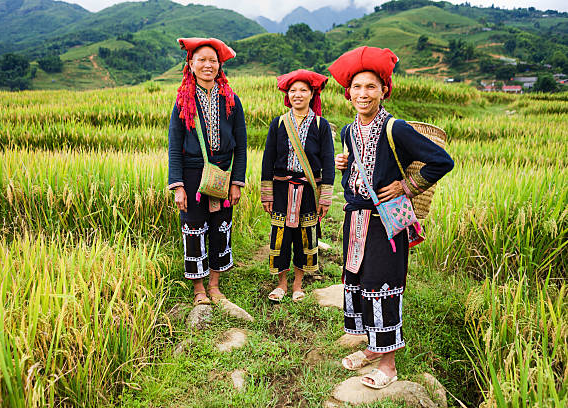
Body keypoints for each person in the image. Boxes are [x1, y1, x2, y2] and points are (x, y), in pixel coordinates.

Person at [329, 46, 454, 389]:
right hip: (356, 220)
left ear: (384, 90)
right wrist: (346, 168)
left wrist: (408, 185)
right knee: (360, 281)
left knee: (384, 286)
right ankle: (372, 347)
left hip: (386, 223)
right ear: (348, 92)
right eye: (357, 87)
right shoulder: (347, 132)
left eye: (371, 86)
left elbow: (441, 161)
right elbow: (355, 177)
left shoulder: (395, 128)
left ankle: (389, 364)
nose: (363, 94)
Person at [168, 37, 247, 305]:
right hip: (192, 175)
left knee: (220, 226)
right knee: (193, 226)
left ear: (219, 65)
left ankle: (214, 284)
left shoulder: (231, 101)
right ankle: (198, 287)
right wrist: (178, 185)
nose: (207, 65)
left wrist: (236, 182)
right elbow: (174, 146)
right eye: (201, 60)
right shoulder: (183, 101)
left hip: (223, 174)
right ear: (190, 64)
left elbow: (242, 145)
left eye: (212, 60)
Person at [261, 69, 335, 302]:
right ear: (287, 95)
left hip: (309, 190)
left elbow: (328, 162)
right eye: (293, 90)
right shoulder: (279, 124)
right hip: (282, 188)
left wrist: (325, 197)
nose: (298, 95)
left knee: (305, 236)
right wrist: (267, 194)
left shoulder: (321, 126)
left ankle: (298, 284)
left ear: (312, 93)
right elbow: (268, 159)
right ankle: (281, 284)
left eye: (303, 90)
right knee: (281, 236)